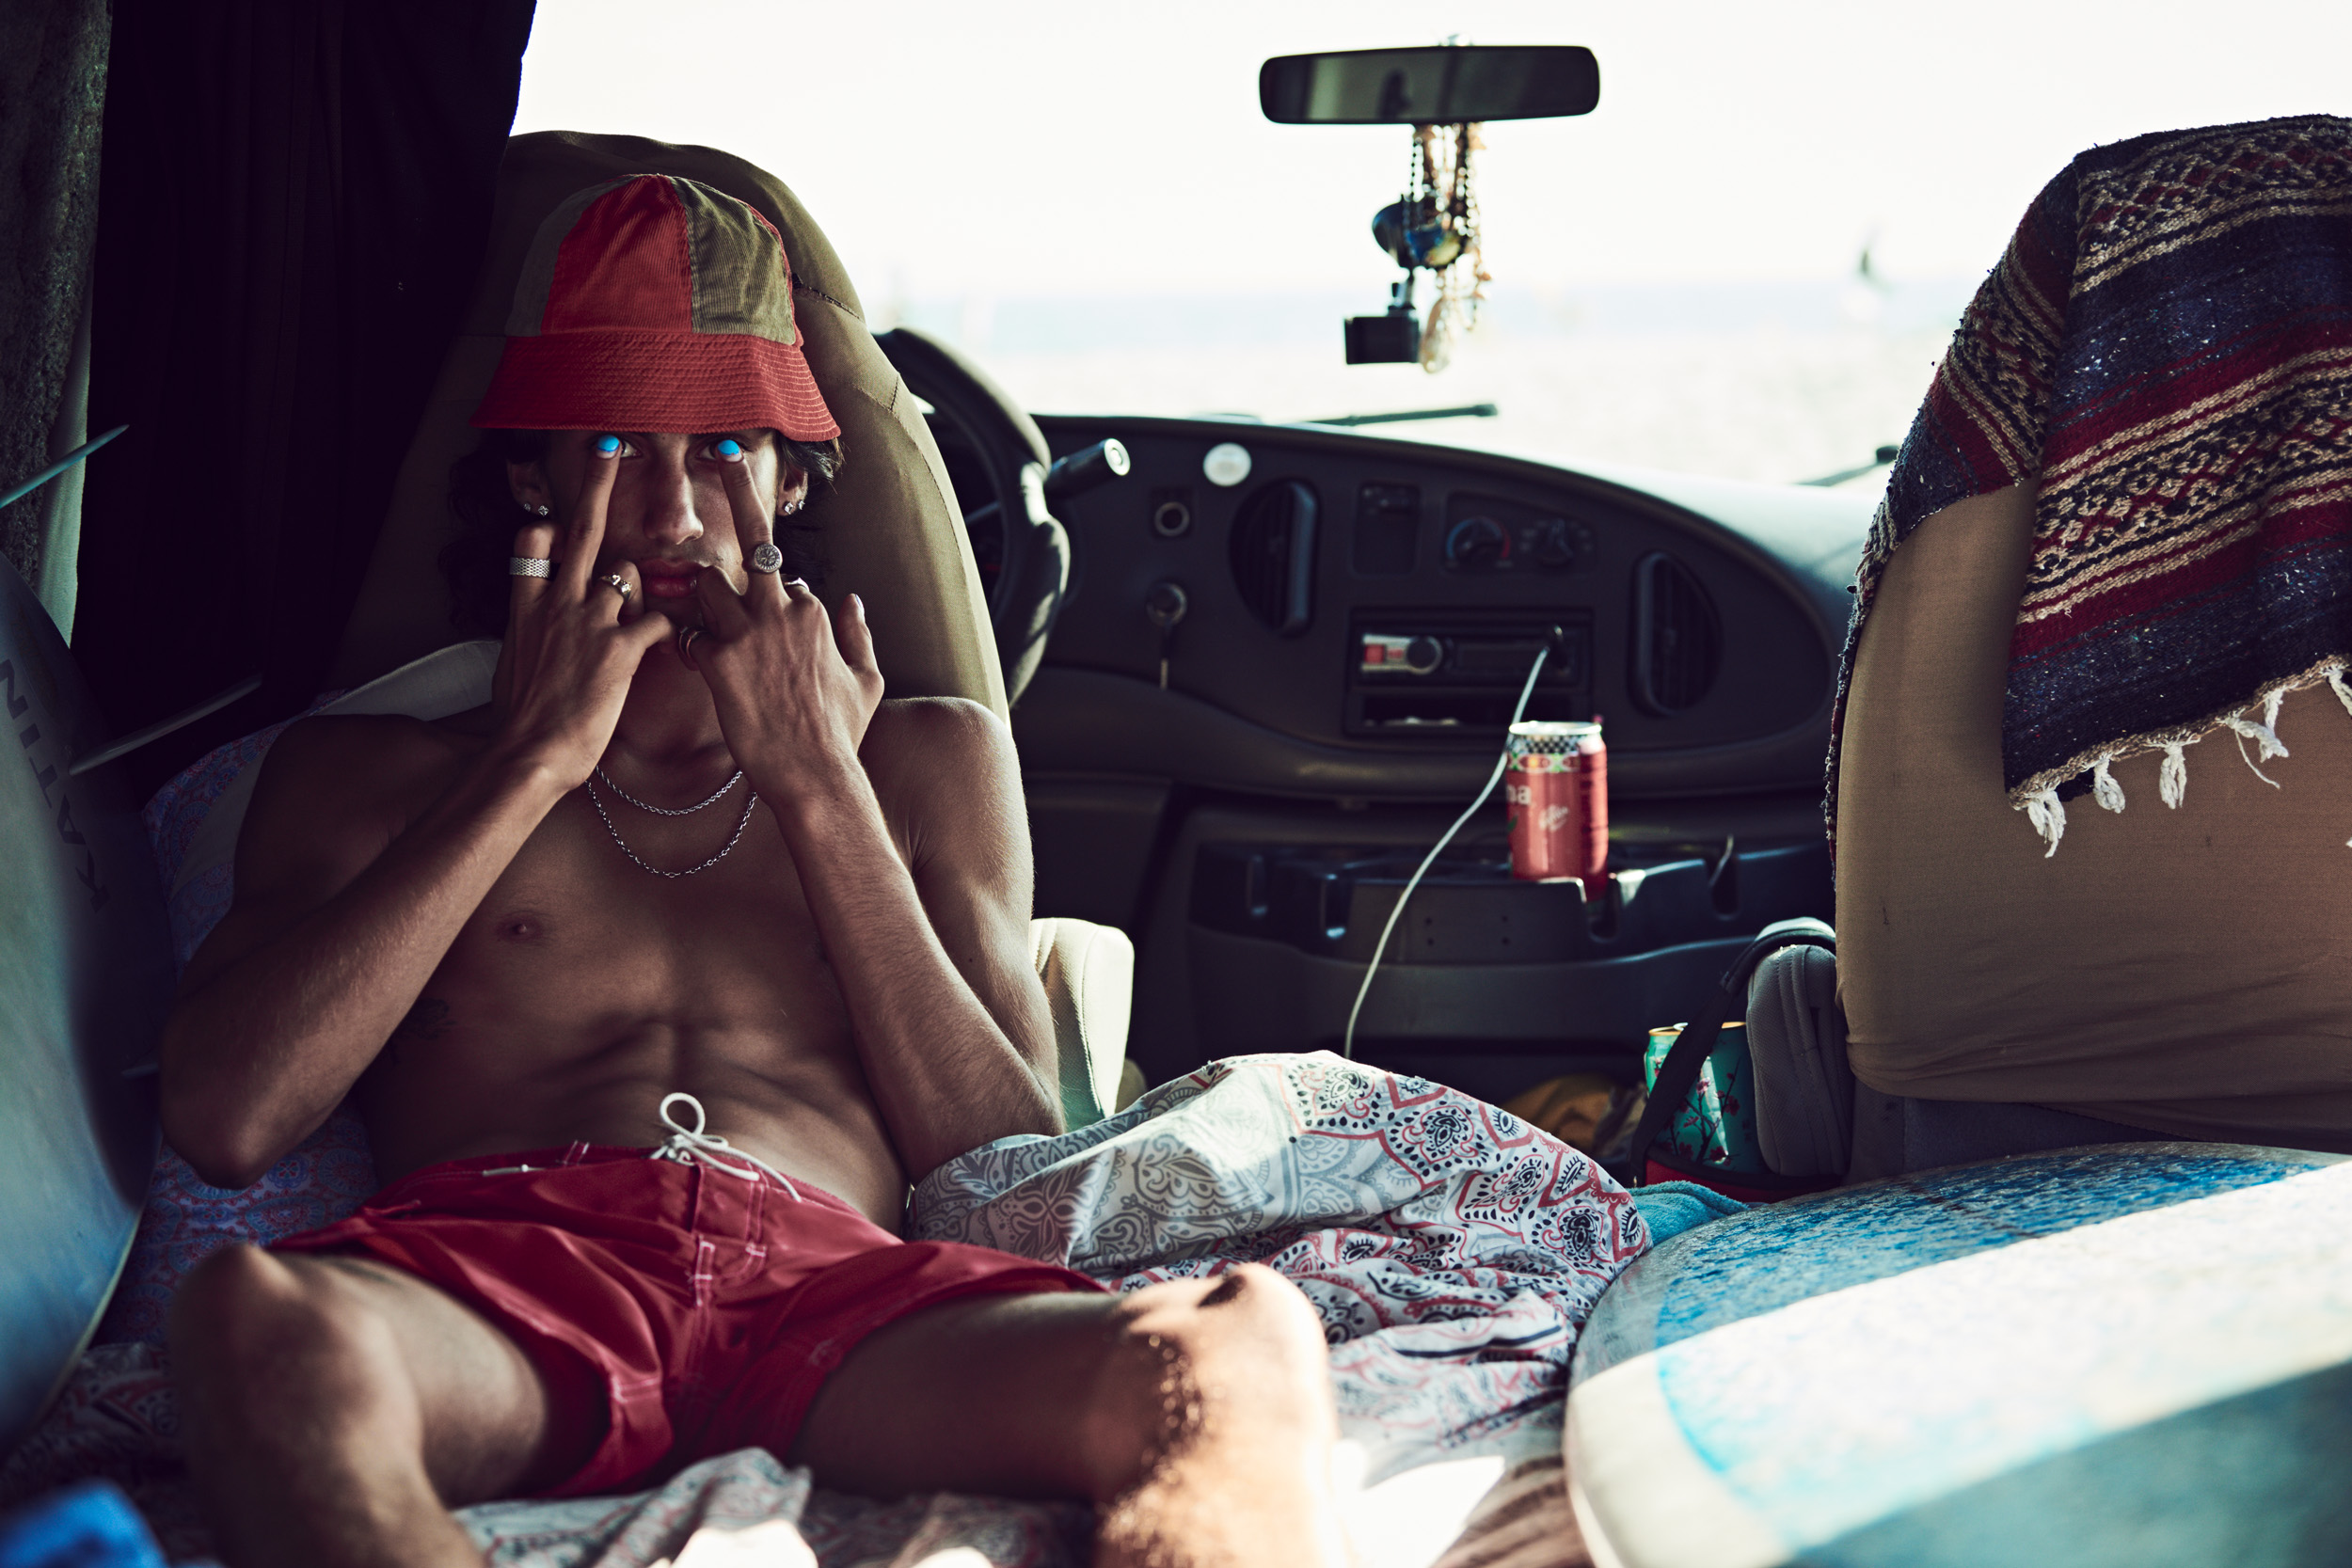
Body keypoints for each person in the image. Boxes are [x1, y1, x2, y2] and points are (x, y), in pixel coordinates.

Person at [158, 173, 1343, 1568]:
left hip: (834, 1292)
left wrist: (817, 785)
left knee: (1239, 1344)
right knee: (254, 1328)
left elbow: (1007, 1163)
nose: (673, 511)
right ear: (530, 479)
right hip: (507, 1283)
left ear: (792, 480)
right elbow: (227, 1119)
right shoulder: (370, 773)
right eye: (614, 440)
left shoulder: (922, 760)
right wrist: (528, 761)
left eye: (726, 446)